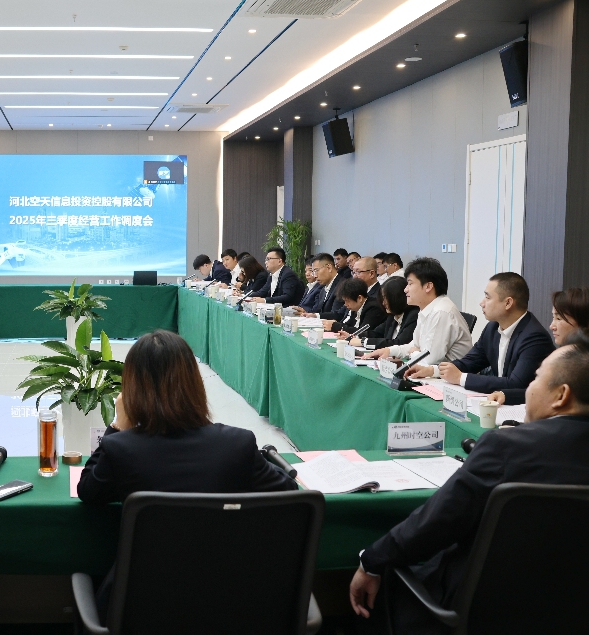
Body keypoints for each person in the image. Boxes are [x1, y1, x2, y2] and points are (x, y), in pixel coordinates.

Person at [350, 335, 589, 634]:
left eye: (537, 378)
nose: (529, 388)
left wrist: (372, 561)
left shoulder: (506, 446)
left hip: (482, 608)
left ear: (561, 395)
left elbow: (436, 522)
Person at [78, 330, 297, 619]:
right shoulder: (237, 444)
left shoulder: (121, 448)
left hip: (142, 611)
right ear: (194, 384)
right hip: (232, 608)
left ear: (132, 389)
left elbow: (88, 490)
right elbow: (288, 491)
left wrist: (118, 425)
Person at [406, 273, 554, 394]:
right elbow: (470, 362)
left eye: (488, 298)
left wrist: (461, 378)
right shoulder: (492, 328)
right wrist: (432, 370)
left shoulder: (534, 337)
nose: (481, 303)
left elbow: (516, 384)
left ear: (508, 303)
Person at [365, 258, 472, 366]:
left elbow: (429, 360)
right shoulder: (425, 309)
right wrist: (389, 351)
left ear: (428, 286)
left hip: (448, 375)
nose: (405, 289)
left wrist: (413, 353)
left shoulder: (441, 312)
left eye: (410, 284)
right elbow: (414, 345)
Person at [364, 277, 418, 349]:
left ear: (398, 298)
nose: (383, 303)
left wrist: (364, 342)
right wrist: (356, 336)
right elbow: (376, 333)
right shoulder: (392, 316)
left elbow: (399, 343)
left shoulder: (413, 316)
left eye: (386, 298)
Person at [295, 253, 345, 320]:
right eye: (313, 272)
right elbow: (319, 312)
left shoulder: (342, 286)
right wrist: (307, 314)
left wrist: (316, 316)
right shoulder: (323, 289)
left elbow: (337, 315)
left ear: (329, 268)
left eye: (316, 270)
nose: (315, 276)